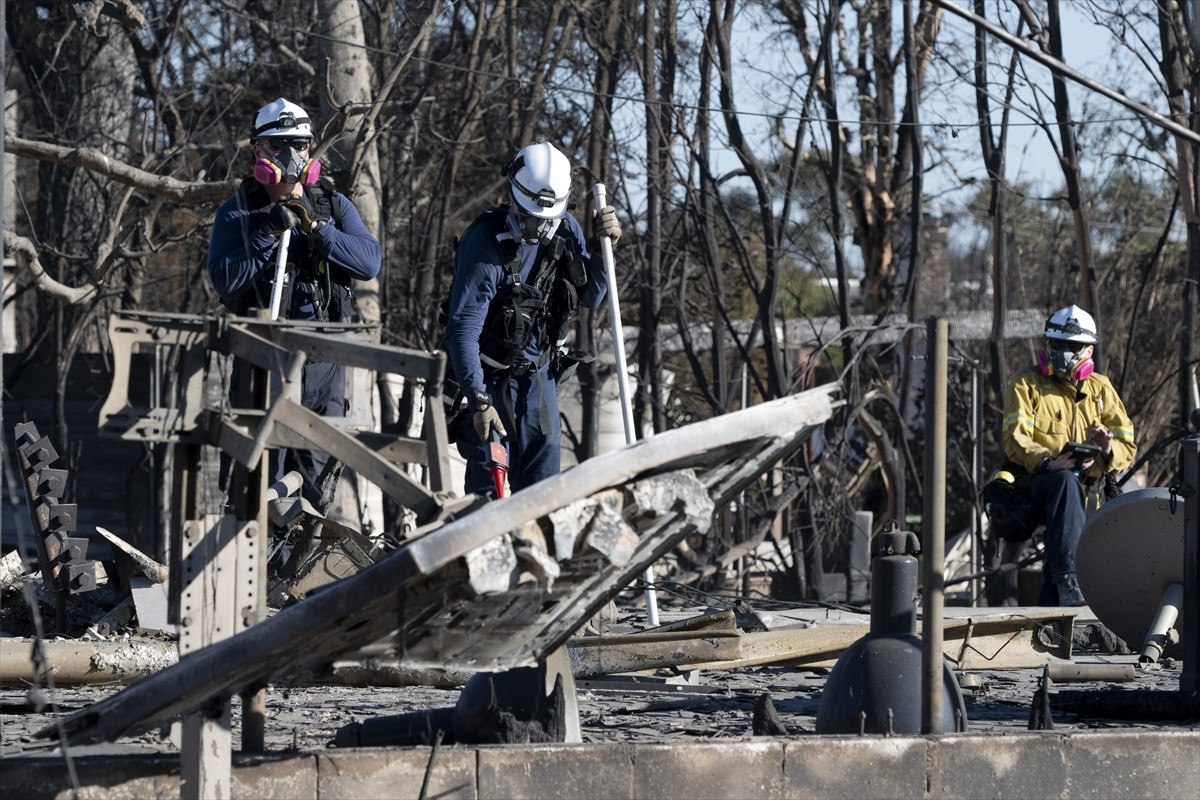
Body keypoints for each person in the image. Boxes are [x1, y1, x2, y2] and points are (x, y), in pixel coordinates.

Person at [208, 97, 382, 513]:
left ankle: (300, 572)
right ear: (258, 151)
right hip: (263, 363)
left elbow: (369, 261)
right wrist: (268, 232)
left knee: (315, 491)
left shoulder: (333, 206)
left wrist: (319, 230)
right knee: (257, 486)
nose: (292, 155)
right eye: (279, 145)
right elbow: (225, 280)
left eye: (301, 145)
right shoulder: (238, 213)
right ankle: (251, 570)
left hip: (325, 363)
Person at [441, 141, 622, 496]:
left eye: (545, 219)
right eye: (528, 217)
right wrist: (479, 401)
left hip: (539, 382)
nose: (537, 228)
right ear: (513, 197)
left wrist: (604, 252)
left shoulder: (567, 230)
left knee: (543, 496)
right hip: (486, 380)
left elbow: (590, 295)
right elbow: (462, 330)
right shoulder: (485, 244)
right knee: (487, 498)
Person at [1001, 304, 1136, 606]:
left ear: (1089, 350)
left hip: (1083, 492)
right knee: (1063, 481)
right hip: (1035, 482)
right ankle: (1070, 580)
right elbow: (1014, 438)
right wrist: (1049, 462)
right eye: (1056, 345)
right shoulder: (1027, 383)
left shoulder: (1102, 390)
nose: (1063, 352)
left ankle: (1056, 614)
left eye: (1072, 346)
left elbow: (1127, 445)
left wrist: (1105, 450)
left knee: (1070, 490)